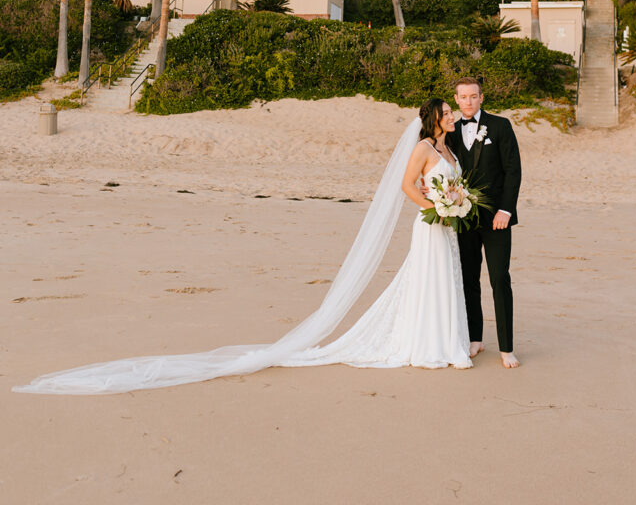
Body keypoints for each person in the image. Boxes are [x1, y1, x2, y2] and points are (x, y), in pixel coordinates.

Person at [13, 98, 470, 395]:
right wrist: (435, 203)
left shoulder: (449, 152)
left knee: (444, 281)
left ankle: (444, 340)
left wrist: (455, 202)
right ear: (435, 117)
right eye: (448, 111)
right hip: (430, 224)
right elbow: (407, 187)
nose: (452, 115)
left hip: (445, 226)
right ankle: (425, 343)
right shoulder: (424, 147)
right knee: (424, 281)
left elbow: (449, 183)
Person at [446, 77, 522, 368]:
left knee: (499, 279)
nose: (468, 101)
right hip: (462, 218)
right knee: (468, 280)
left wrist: (506, 209)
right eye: (463, 97)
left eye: (473, 96)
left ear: (482, 97)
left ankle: (506, 348)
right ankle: (474, 339)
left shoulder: (501, 126)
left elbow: (513, 171)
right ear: (456, 99)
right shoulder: (449, 132)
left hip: (496, 218)